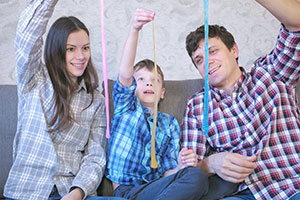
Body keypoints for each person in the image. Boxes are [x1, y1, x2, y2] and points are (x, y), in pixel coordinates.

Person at [4, 0, 126, 200]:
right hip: (27, 192)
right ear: (57, 50)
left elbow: (95, 158)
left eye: (85, 48)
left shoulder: (96, 100)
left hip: (70, 192)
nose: (81, 56)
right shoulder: (34, 78)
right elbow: (26, 38)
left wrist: (77, 193)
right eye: (71, 49)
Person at [182, 0, 300, 199]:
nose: (207, 62)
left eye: (213, 51)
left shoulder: (270, 74)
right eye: (199, 60)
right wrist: (211, 163)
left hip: (293, 185)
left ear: (234, 50)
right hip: (245, 193)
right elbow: (189, 171)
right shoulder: (196, 106)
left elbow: (296, 24)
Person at [105, 8, 208, 200]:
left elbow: (169, 173)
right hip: (124, 191)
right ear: (132, 88)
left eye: (155, 80)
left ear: (162, 92)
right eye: (141, 79)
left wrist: (181, 166)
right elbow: (125, 74)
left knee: (196, 177)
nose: (148, 83)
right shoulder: (125, 108)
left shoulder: (169, 124)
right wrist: (135, 29)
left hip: (154, 190)